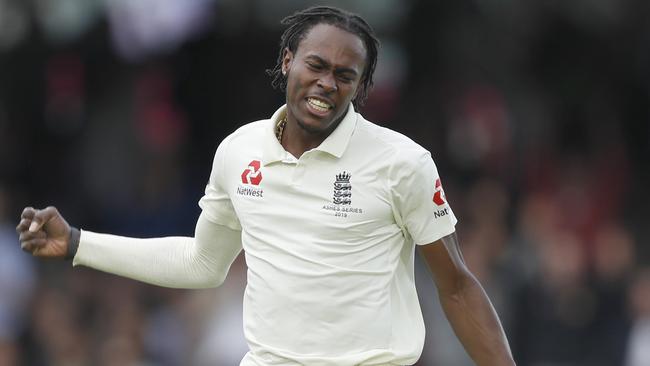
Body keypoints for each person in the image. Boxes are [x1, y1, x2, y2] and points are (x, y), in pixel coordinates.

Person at [17, 6, 515, 366]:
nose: (326, 84)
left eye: (345, 76)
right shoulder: (240, 151)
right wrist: (79, 244)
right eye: (316, 66)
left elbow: (455, 287)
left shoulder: (402, 162)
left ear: (360, 89)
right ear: (287, 61)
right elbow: (203, 263)